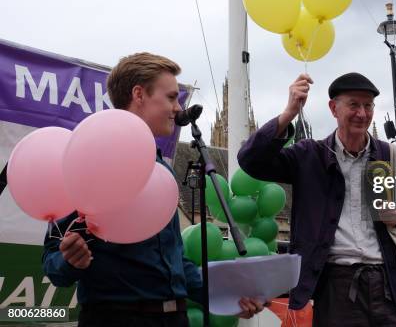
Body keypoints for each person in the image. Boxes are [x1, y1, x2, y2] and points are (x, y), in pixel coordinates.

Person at [42, 52, 265, 327]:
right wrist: (69, 261)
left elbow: (175, 262)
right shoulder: (92, 158)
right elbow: (54, 262)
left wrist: (227, 297)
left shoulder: (162, 169)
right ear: (139, 94)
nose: (177, 108)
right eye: (171, 97)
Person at [238, 72, 396, 326]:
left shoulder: (391, 156)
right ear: (333, 108)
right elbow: (251, 161)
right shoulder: (309, 155)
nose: (362, 113)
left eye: (368, 105)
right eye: (354, 105)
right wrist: (289, 113)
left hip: (390, 286)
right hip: (337, 288)